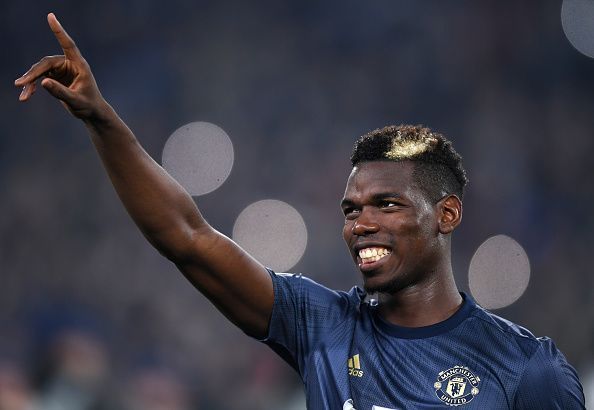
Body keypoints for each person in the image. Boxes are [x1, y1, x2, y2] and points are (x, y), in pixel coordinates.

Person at [15, 13, 585, 410]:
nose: (361, 224)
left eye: (385, 205)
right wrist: (100, 118)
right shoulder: (321, 326)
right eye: (351, 209)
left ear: (447, 214)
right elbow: (186, 236)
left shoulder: (526, 371)